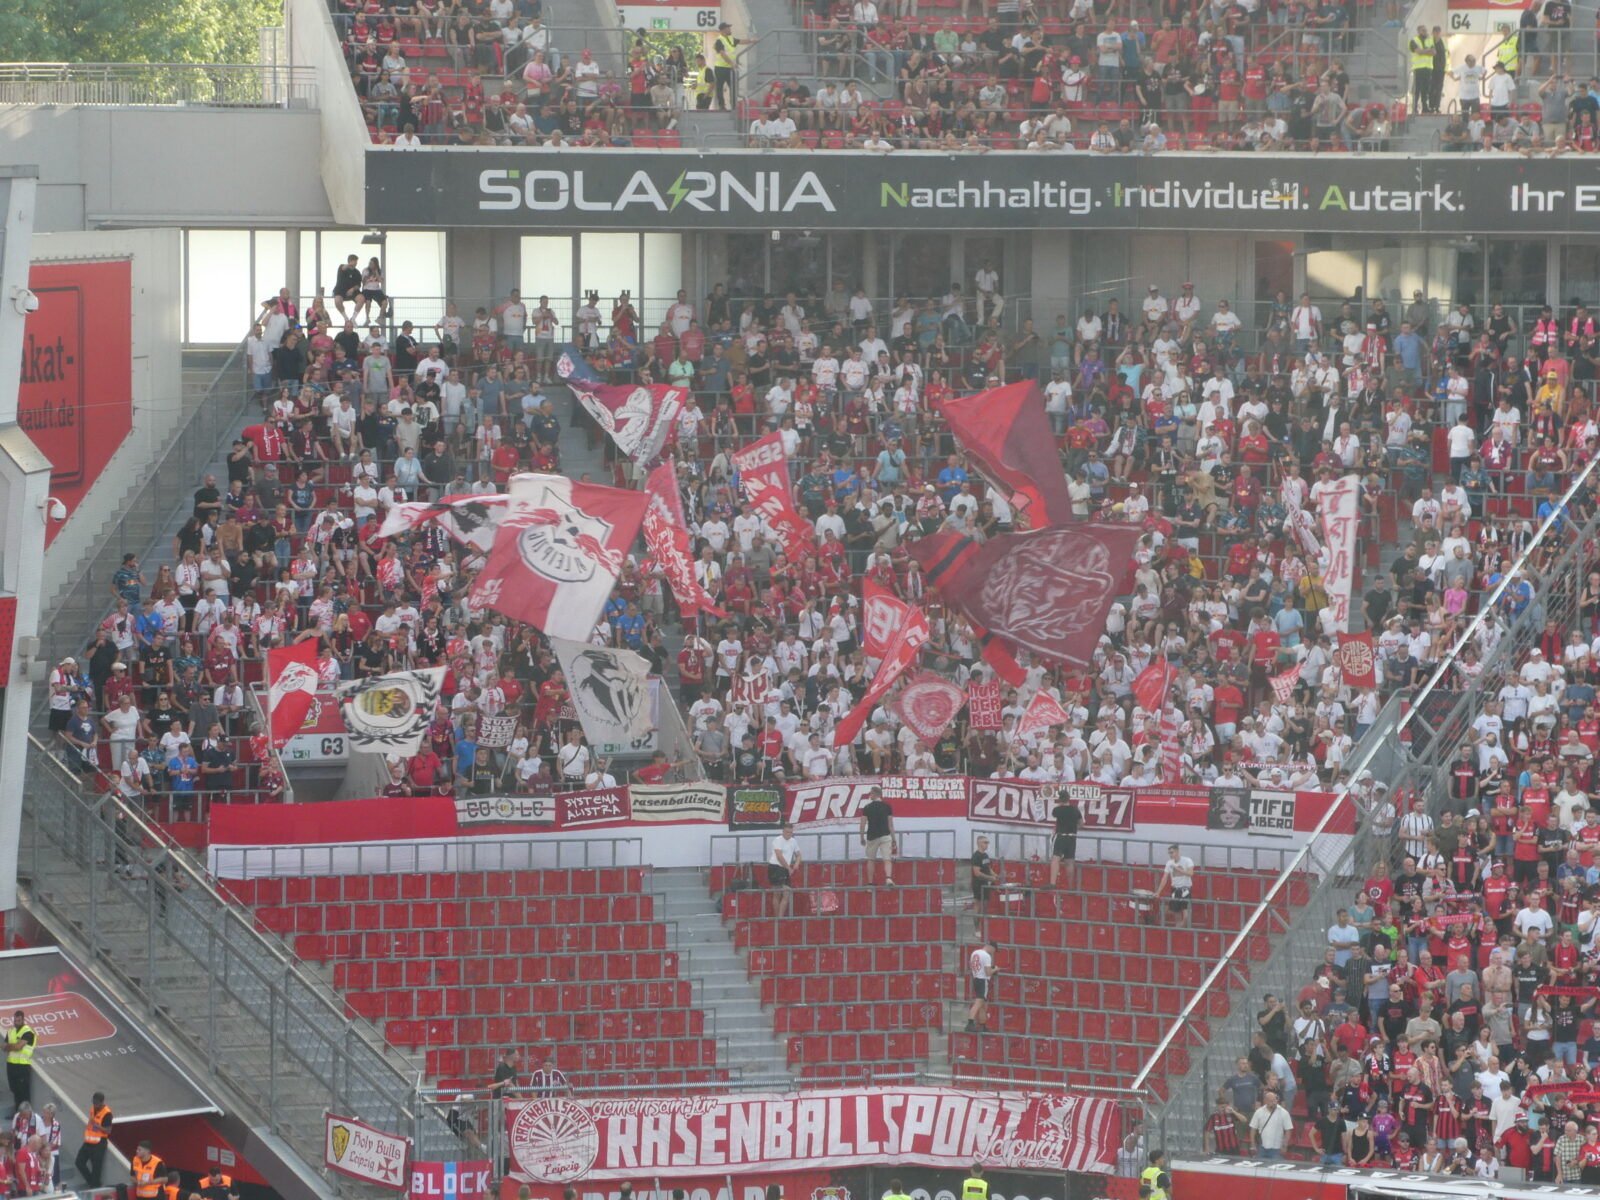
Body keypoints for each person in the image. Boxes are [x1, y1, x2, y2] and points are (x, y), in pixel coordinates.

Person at [858, 786, 895, 885]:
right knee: (887, 859)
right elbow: (890, 825)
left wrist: (861, 837)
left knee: (871, 860)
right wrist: (894, 839)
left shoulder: (867, 807)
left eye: (871, 793)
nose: (870, 795)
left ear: (874, 794)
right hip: (885, 835)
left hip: (872, 836)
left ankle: (870, 883)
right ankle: (888, 877)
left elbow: (862, 824)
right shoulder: (887, 806)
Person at [74, 1091, 112, 1187]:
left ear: (102, 1102)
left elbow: (108, 1130)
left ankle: (95, 1185)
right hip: (88, 1141)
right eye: (93, 1102)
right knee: (79, 1162)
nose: (95, 1105)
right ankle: (92, 1182)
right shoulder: (92, 1109)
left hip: (99, 1143)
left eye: (96, 1103)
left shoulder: (107, 1113)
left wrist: (96, 1125)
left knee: (96, 1168)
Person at [1154, 843, 1195, 927]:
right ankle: (1178, 929)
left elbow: (1191, 873)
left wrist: (1177, 869)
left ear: (1177, 852)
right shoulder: (1169, 863)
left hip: (1185, 889)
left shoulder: (1187, 860)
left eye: (1172, 852)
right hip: (1175, 889)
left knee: (1186, 914)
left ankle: (1181, 926)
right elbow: (1164, 878)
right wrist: (1158, 892)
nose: (1170, 855)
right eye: (1169, 853)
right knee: (1177, 914)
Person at [767, 821, 801, 918]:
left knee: (786, 894)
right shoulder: (778, 840)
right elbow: (779, 856)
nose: (788, 834)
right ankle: (778, 917)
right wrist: (788, 868)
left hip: (785, 868)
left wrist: (797, 864)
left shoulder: (793, 841)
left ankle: (780, 917)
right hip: (776, 867)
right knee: (778, 894)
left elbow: (798, 855)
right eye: (786, 832)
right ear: (783, 831)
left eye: (790, 832)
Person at [1248, 1089, 1294, 1159]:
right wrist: (1253, 1145)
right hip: (1262, 1148)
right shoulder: (1259, 1112)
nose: (1274, 1102)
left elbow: (1288, 1130)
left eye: (1275, 1100)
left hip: (1277, 1149)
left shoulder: (1284, 1113)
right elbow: (1253, 1129)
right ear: (1265, 1101)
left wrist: (1284, 1145)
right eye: (1271, 1101)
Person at [5, 1011, 35, 1109]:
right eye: (15, 1020)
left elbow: (18, 1047)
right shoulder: (10, 1031)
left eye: (18, 1020)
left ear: (23, 1020)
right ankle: (17, 1113)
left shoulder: (28, 1032)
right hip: (11, 1064)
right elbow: (5, 1048)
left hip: (23, 1065)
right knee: (14, 1089)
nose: (16, 1022)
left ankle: (26, 1114)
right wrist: (14, 1046)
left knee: (23, 1091)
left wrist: (12, 1046)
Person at [1050, 792, 1082, 887]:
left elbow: (1054, 813)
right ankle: (1070, 886)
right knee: (1070, 862)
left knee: (1056, 858)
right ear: (1069, 799)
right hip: (1072, 837)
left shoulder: (1058, 810)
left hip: (1061, 836)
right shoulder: (1075, 810)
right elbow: (1081, 823)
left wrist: (1060, 804)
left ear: (1060, 799)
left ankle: (1052, 883)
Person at [965, 938, 996, 1033]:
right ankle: (970, 1023)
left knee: (983, 1004)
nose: (993, 953)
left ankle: (983, 1025)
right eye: (994, 950)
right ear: (991, 948)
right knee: (979, 1002)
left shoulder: (975, 953)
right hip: (982, 980)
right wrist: (995, 969)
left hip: (976, 978)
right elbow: (988, 972)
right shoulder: (986, 956)